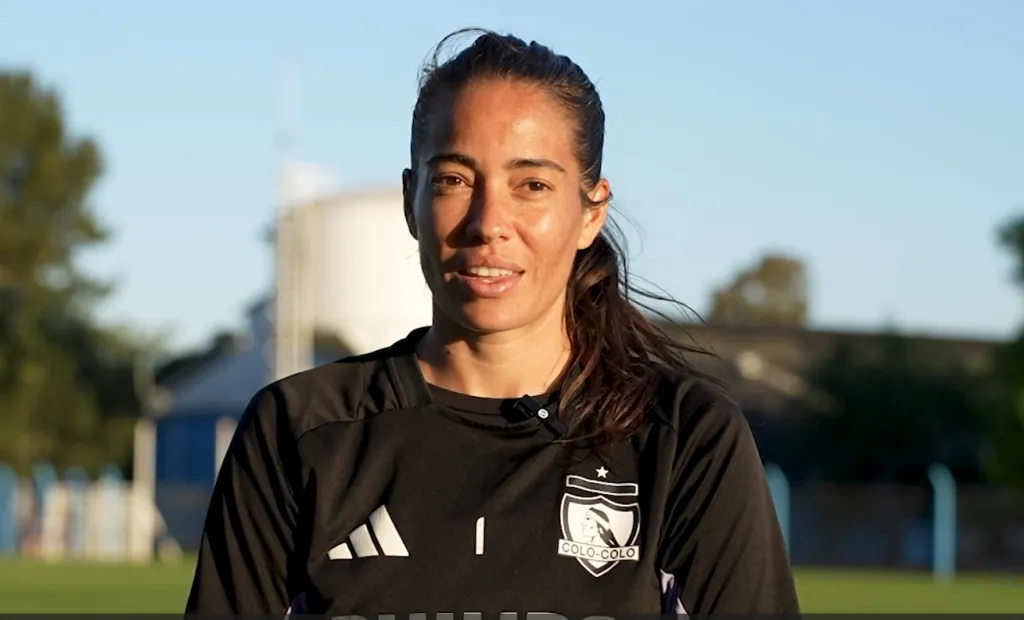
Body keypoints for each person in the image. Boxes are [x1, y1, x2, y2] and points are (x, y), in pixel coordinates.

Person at [185, 28, 800, 616]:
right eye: (454, 180)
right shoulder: (302, 432)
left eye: (531, 184)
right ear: (411, 201)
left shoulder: (682, 438)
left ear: (590, 212)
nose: (488, 221)